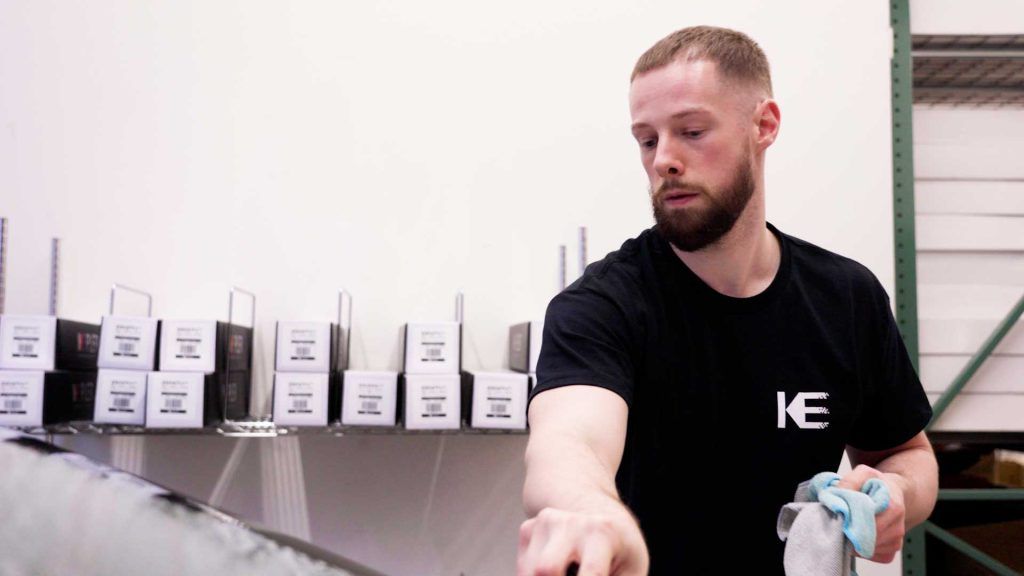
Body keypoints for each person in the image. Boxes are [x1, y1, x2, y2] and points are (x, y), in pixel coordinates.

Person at [518, 26, 938, 576]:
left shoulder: (846, 298)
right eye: (647, 140)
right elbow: (570, 441)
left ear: (764, 125)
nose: (663, 160)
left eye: (691, 131)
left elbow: (909, 453)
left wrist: (896, 491)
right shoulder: (603, 305)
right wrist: (592, 512)